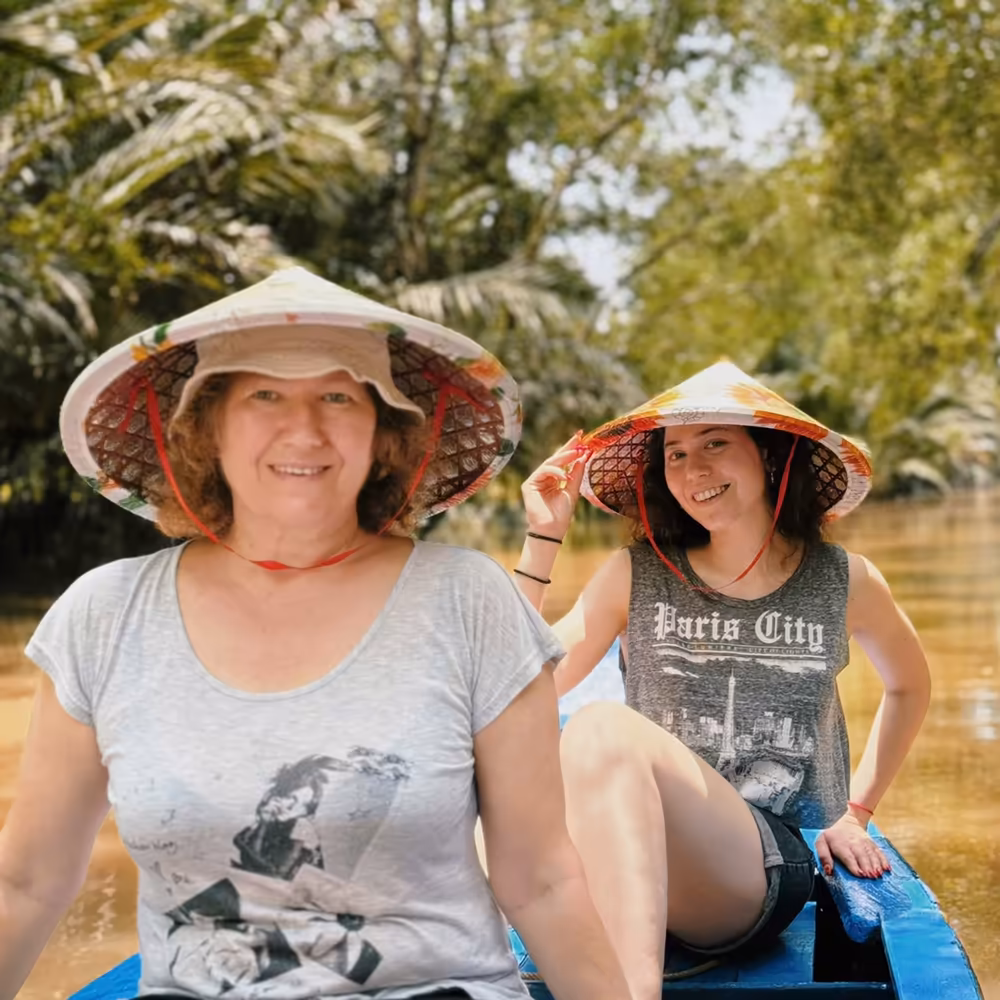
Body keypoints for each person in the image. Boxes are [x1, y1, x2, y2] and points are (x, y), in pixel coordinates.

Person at [0, 267, 630, 1000]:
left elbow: (543, 881)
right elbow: (28, 881)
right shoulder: (103, 616)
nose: (304, 429)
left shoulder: (469, 602)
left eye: (338, 395)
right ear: (206, 426)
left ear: (382, 434)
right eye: (264, 394)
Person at [512, 360, 932, 1000]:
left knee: (599, 730)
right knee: (528, 769)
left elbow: (909, 686)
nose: (692, 470)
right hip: (632, 844)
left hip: (758, 870)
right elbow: (519, 688)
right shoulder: (637, 574)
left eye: (715, 444)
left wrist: (856, 814)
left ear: (768, 458)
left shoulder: (844, 581)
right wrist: (542, 538)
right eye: (675, 454)